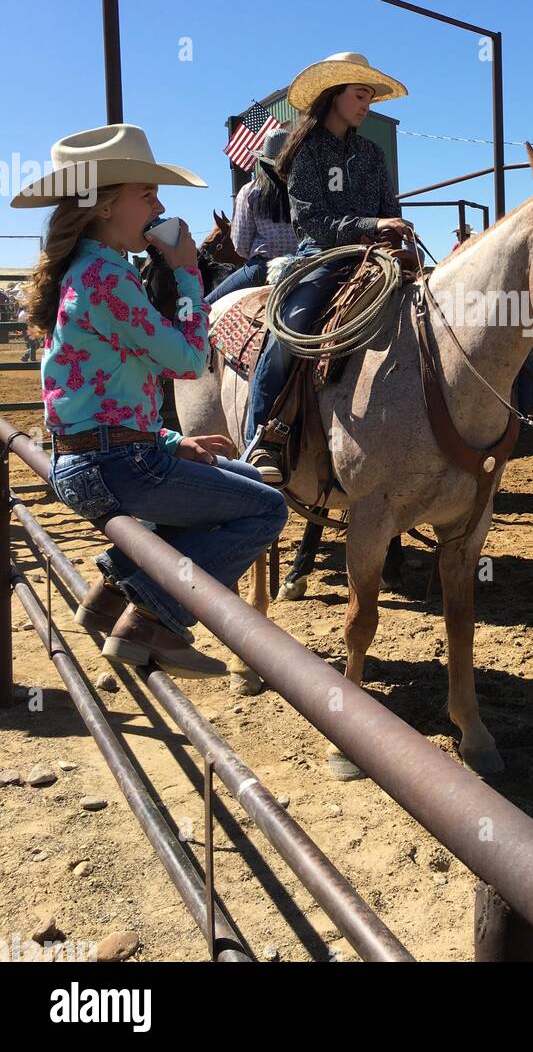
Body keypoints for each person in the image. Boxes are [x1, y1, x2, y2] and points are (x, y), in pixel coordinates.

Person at [13, 124, 288, 676]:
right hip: (117, 462)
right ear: (106, 206)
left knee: (246, 483)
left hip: (101, 454)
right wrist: (187, 271)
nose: (161, 208)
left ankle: (113, 590)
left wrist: (167, 437)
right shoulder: (107, 278)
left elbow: (99, 391)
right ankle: (154, 622)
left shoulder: (89, 271)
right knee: (267, 507)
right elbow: (187, 361)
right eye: (148, 195)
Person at [244, 51, 411, 484]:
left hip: (375, 258)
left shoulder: (372, 154)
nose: (366, 105)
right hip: (322, 256)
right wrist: (371, 224)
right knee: (290, 330)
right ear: (334, 94)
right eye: (360, 95)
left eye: (370, 98)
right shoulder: (306, 151)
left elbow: (389, 207)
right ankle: (262, 437)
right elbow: (310, 219)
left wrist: (390, 232)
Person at [204, 125, 298, 303]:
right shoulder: (304, 191)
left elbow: (240, 244)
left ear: (263, 160)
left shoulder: (250, 191)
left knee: (207, 304)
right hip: (304, 266)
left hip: (263, 268)